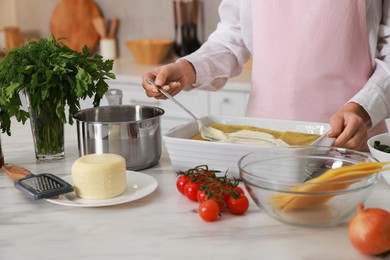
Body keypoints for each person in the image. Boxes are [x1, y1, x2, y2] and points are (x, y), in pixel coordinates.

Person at [142, 0, 390, 151]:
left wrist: (363, 109)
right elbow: (234, 35)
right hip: (260, 146)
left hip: (350, 142)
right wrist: (187, 68)